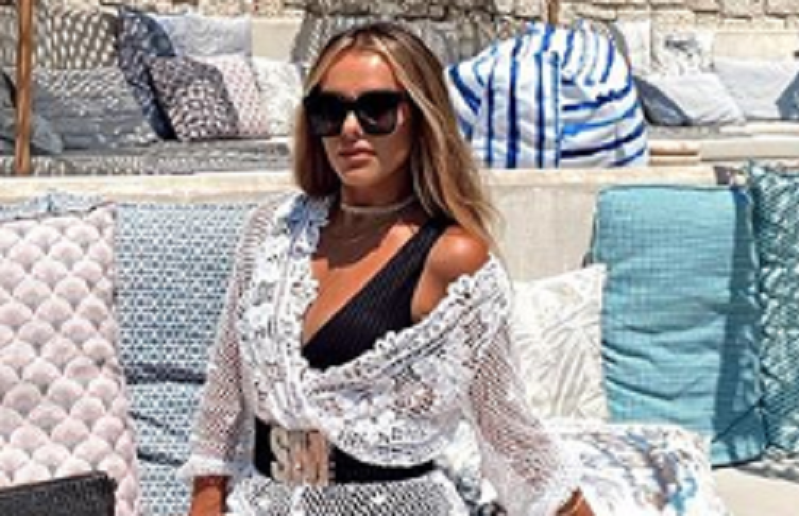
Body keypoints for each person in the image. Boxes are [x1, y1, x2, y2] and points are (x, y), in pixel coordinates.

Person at [182, 22, 595, 516]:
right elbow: (225, 394)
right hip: (262, 502)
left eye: (375, 109)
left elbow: (509, 431)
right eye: (329, 111)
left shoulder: (452, 258)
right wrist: (206, 499)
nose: (349, 129)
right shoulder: (272, 231)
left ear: (421, 117)